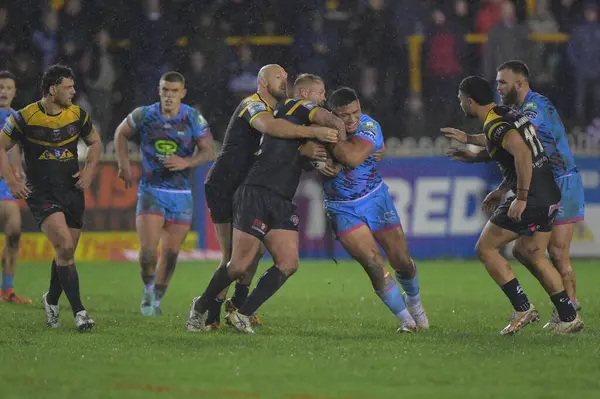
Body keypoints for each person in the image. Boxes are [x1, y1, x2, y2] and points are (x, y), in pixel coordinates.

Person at [187, 79, 342, 334]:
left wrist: (318, 159)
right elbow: (276, 127)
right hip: (245, 190)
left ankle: (241, 312)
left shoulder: (291, 123)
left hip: (280, 199)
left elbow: (299, 158)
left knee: (286, 262)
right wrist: (326, 135)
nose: (324, 98)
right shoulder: (288, 107)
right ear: (304, 93)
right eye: (321, 92)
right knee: (236, 264)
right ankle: (202, 308)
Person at [444, 60, 584, 328]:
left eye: (461, 100)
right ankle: (569, 316)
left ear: (470, 101)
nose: (461, 104)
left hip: (536, 192)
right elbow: (508, 143)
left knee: (485, 248)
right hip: (549, 192)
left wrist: (519, 197)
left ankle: (523, 308)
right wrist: (474, 152)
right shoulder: (510, 112)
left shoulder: (506, 118)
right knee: (530, 251)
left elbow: (520, 150)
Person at [317, 87, 428, 332]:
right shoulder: (317, 130)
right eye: (344, 115)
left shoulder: (369, 126)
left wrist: (330, 152)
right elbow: (301, 154)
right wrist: (311, 157)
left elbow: (353, 157)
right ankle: (407, 322)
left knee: (403, 262)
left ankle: (416, 306)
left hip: (375, 200)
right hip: (341, 208)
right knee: (373, 263)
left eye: (356, 111)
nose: (353, 118)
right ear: (332, 114)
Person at [0, 64, 101, 331]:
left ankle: (52, 300)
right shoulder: (25, 117)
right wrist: (11, 180)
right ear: (53, 89)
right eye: (69, 87)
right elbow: (1, 144)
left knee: (65, 254)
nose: (74, 92)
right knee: (65, 247)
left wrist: (90, 170)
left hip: (72, 190)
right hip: (42, 193)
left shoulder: (78, 115)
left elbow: (95, 142)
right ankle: (80, 312)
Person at [114, 71, 216, 316]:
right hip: (151, 191)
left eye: (174, 91)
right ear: (159, 91)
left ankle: (157, 299)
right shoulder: (145, 114)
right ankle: (147, 290)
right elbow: (120, 133)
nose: (169, 96)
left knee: (170, 254)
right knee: (149, 251)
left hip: (181, 194)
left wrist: (186, 163)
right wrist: (123, 164)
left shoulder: (192, 117)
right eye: (165, 91)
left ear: (183, 93)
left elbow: (209, 151)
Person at [0, 70, 29, 304]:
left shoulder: (16, 118)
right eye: (0, 87)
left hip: (5, 184)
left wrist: (19, 171)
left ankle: (7, 290)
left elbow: (13, 148)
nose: (4, 91)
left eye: (8, 88)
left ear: (14, 92)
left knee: (15, 232)